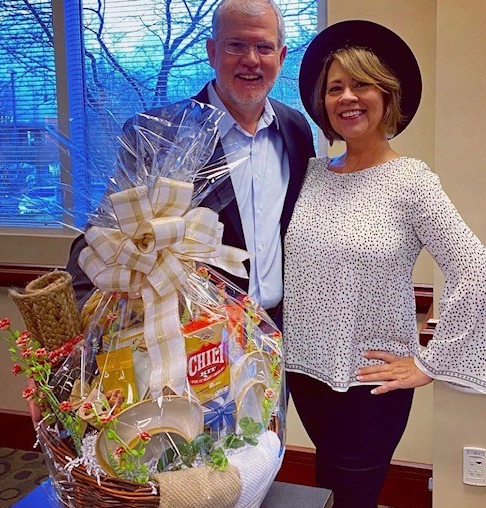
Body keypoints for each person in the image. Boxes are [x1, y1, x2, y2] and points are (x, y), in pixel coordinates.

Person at [284, 20, 486, 508]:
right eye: (335, 88)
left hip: (370, 388)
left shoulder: (411, 183)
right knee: (334, 506)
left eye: (362, 86)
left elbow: (478, 273)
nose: (347, 98)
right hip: (308, 377)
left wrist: (430, 363)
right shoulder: (312, 176)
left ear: (388, 97)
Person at [66, 0, 315, 327]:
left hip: (282, 329)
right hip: (197, 335)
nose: (251, 59)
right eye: (236, 45)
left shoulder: (295, 128)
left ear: (281, 57)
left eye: (264, 47)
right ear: (212, 52)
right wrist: (76, 325)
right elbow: (105, 234)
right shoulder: (159, 135)